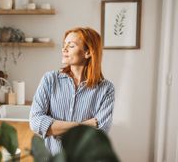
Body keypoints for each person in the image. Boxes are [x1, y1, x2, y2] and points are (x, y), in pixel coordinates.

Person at [29, 27, 115, 155]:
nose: (64, 49)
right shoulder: (50, 79)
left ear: (88, 52)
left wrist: (54, 129)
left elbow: (98, 134)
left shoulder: (106, 89)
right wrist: (85, 125)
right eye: (64, 45)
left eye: (71, 46)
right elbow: (36, 123)